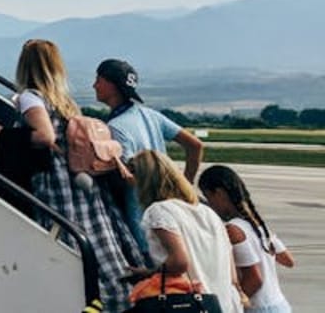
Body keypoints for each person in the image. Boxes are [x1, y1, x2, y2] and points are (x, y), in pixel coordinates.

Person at [2, 39, 142, 310]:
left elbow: (45, 136)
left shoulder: (31, 97)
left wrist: (4, 135)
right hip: (82, 183)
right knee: (100, 245)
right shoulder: (66, 101)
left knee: (66, 243)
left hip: (57, 185)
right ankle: (116, 301)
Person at [95, 57, 205, 263]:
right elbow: (195, 145)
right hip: (172, 212)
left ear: (112, 85)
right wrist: (186, 182)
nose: (94, 85)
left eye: (98, 79)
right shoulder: (151, 115)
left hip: (142, 223)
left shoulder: (116, 127)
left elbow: (129, 177)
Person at [130, 150, 242, 313]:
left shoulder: (159, 211)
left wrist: (149, 274)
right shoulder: (208, 212)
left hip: (189, 304)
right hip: (223, 304)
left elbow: (180, 262)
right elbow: (232, 275)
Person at [198, 165, 295, 312]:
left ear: (219, 193)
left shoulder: (233, 230)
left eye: (208, 197)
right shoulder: (258, 225)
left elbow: (255, 279)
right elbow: (288, 260)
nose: (210, 204)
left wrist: (232, 305)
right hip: (280, 305)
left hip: (259, 308)